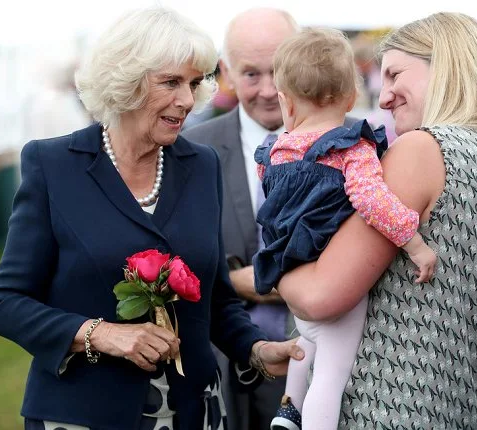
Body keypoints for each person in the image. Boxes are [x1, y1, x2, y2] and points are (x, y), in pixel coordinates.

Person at [0, 7, 302, 430]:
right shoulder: (53, 164)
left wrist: (256, 350)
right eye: (171, 82)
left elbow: (216, 300)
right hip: (83, 415)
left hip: (196, 413)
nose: (188, 100)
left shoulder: (201, 164)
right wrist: (102, 335)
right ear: (126, 81)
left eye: (193, 83)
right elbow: (7, 304)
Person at [276, 12, 477, 429]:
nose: (385, 95)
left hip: (382, 414)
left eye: (394, 74)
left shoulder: (423, 150)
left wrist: (270, 266)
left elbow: (320, 295)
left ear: (445, 65)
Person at [250, 28, 436, 430]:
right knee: (332, 374)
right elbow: (372, 201)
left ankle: (287, 409)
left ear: (285, 101)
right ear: (352, 97)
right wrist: (414, 242)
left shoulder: (274, 152)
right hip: (332, 270)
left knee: (306, 340)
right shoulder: (351, 147)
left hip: (289, 265)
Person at [181, 8, 300, 430]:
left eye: (279, 70)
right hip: (219, 371)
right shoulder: (189, 149)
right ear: (226, 73)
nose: (269, 90)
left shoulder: (348, 143)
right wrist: (233, 283)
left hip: (311, 368)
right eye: (251, 74)